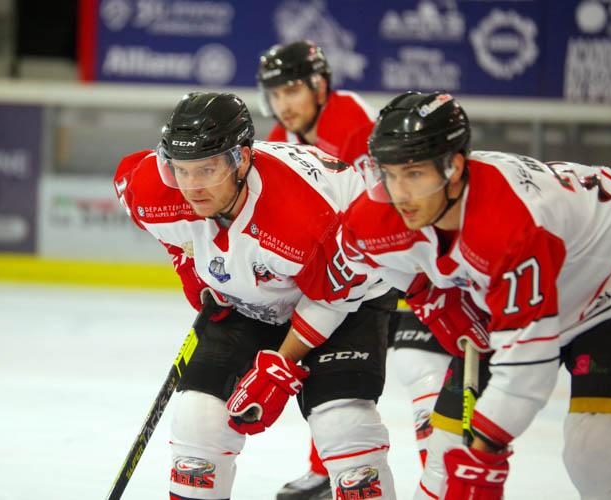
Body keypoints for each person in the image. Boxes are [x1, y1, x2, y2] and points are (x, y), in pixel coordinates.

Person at [340, 90, 611, 499]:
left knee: (596, 460)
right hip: (521, 280)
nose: (400, 193)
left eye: (414, 173)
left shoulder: (510, 225)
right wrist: (431, 297)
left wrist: (486, 452)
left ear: (453, 166)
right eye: (390, 173)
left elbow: (528, 368)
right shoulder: (379, 215)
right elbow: (363, 255)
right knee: (444, 453)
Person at [113, 91, 400, 499]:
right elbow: (161, 222)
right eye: (181, 170)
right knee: (200, 420)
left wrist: (281, 364)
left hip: (349, 294)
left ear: (241, 159)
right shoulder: (154, 191)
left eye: (207, 170)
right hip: (249, 295)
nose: (192, 187)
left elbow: (332, 296)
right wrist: (186, 260)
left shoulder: (303, 217)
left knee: (345, 429)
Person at [257, 40, 452, 500]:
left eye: (292, 91)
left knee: (422, 377)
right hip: (351, 271)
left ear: (320, 86)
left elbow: (381, 211)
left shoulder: (351, 122)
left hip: (403, 265)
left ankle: (446, 483)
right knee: (326, 368)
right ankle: (326, 468)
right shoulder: (282, 138)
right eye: (275, 93)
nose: (283, 105)